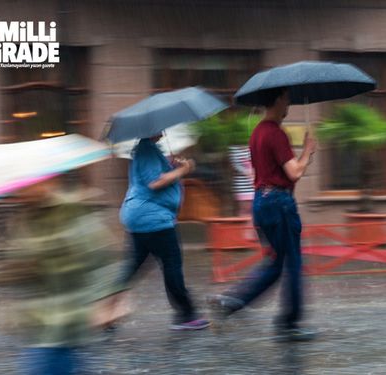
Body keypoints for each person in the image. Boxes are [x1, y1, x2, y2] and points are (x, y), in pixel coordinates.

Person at [0, 177, 124, 375]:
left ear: (49, 182)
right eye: (20, 185)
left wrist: (108, 301)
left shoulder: (70, 212)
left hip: (65, 321)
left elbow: (99, 259)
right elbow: (16, 268)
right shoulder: (24, 219)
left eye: (29, 183)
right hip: (37, 322)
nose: (23, 190)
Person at [208, 87, 317, 341]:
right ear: (278, 99)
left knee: (275, 264)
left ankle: (231, 302)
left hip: (262, 203)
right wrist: (308, 151)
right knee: (293, 264)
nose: (289, 103)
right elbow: (294, 173)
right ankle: (289, 324)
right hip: (279, 204)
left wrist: (303, 157)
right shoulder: (276, 133)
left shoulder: (257, 132)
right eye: (287, 98)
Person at [119, 134, 209, 331]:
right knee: (172, 263)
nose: (164, 130)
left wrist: (171, 165)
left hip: (142, 216)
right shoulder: (147, 149)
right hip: (154, 218)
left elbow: (152, 176)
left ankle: (103, 309)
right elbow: (155, 182)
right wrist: (182, 170)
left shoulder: (147, 149)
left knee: (132, 266)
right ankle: (186, 314)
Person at [229, 144, 255, 217]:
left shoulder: (255, 145)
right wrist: (247, 172)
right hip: (243, 186)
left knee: (255, 210)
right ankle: (244, 227)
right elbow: (234, 165)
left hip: (255, 185)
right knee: (244, 210)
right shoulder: (234, 149)